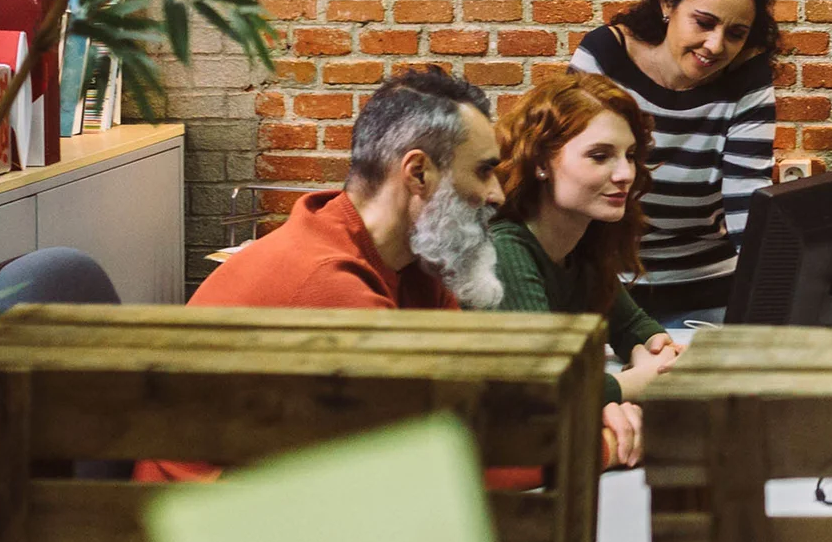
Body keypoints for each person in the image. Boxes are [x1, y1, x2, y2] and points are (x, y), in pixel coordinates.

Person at [143, 66, 642, 487]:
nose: (496, 195)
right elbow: (434, 466)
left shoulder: (414, 266)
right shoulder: (328, 284)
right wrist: (591, 445)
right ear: (418, 174)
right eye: (484, 171)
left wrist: (573, 420)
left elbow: (478, 404)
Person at [574, 0, 781, 324]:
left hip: (711, 294)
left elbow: (747, 202)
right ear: (668, 1)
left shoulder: (748, 78)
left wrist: (777, 294)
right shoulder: (606, 57)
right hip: (608, 294)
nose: (715, 46)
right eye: (703, 23)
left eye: (736, 34)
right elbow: (573, 179)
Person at [490, 70, 683, 405]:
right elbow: (545, 385)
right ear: (541, 163)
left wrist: (652, 353)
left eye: (630, 155)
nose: (625, 174)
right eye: (600, 156)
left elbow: (633, 326)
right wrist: (644, 380)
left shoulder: (583, 240)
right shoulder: (504, 247)